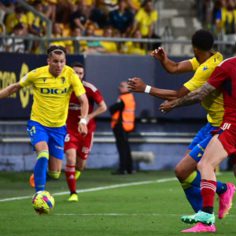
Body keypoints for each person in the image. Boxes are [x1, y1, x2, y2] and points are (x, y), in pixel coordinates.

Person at [159, 26, 236, 233]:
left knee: (205, 164)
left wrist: (174, 104)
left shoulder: (227, 64)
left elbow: (201, 93)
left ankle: (205, 214)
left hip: (234, 124)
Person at [128, 29, 236, 233]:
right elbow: (175, 67)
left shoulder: (206, 69)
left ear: (195, 48)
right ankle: (208, 217)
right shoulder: (213, 57)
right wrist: (164, 59)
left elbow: (179, 94)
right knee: (183, 173)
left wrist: (146, 89)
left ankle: (219, 197)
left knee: (182, 170)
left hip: (221, 127)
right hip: (210, 123)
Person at [0, 45, 88, 196]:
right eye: (55, 61)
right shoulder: (36, 74)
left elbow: (84, 101)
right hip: (38, 123)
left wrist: (83, 121)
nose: (59, 65)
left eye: (62, 61)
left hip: (59, 127)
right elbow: (14, 88)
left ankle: (38, 173)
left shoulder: (71, 75)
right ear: (48, 61)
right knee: (43, 153)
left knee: (55, 173)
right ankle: (39, 194)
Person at [64, 62, 107, 202]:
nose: (78, 75)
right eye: (75, 72)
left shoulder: (89, 89)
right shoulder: (63, 87)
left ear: (83, 75)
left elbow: (103, 107)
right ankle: (73, 193)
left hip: (86, 130)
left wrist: (88, 117)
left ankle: (73, 174)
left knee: (81, 165)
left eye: (80, 73)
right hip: (69, 128)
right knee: (70, 157)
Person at [109, 81, 136, 175]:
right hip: (127, 126)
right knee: (126, 147)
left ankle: (122, 168)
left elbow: (113, 108)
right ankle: (130, 168)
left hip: (120, 125)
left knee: (122, 148)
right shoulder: (131, 97)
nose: (119, 88)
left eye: (122, 86)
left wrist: (111, 108)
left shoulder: (124, 98)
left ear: (128, 88)